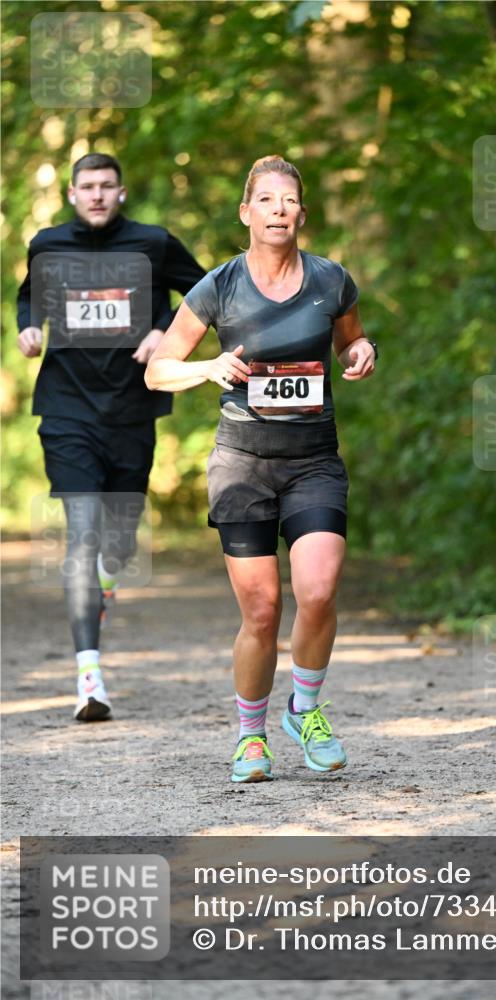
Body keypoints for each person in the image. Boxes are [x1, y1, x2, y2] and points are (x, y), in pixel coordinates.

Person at [145, 154, 376, 782]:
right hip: (242, 464)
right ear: (247, 213)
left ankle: (305, 708)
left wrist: (361, 350)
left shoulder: (331, 281)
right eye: (267, 200)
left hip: (313, 462)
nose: (280, 210)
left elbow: (351, 338)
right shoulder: (218, 286)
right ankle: (251, 737)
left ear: (303, 212)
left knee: (320, 590)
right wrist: (208, 368)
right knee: (262, 612)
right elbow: (157, 368)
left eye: (290, 200)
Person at [17, 152, 206, 722]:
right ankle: (89, 677)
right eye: (87, 187)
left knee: (117, 544)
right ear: (72, 194)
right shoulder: (49, 244)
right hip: (67, 409)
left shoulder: (153, 243)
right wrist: (27, 324)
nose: (97, 195)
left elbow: (202, 293)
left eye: (107, 186)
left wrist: (161, 332)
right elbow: (30, 294)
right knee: (81, 535)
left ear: (121, 193)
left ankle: (108, 577)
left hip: (131, 409)